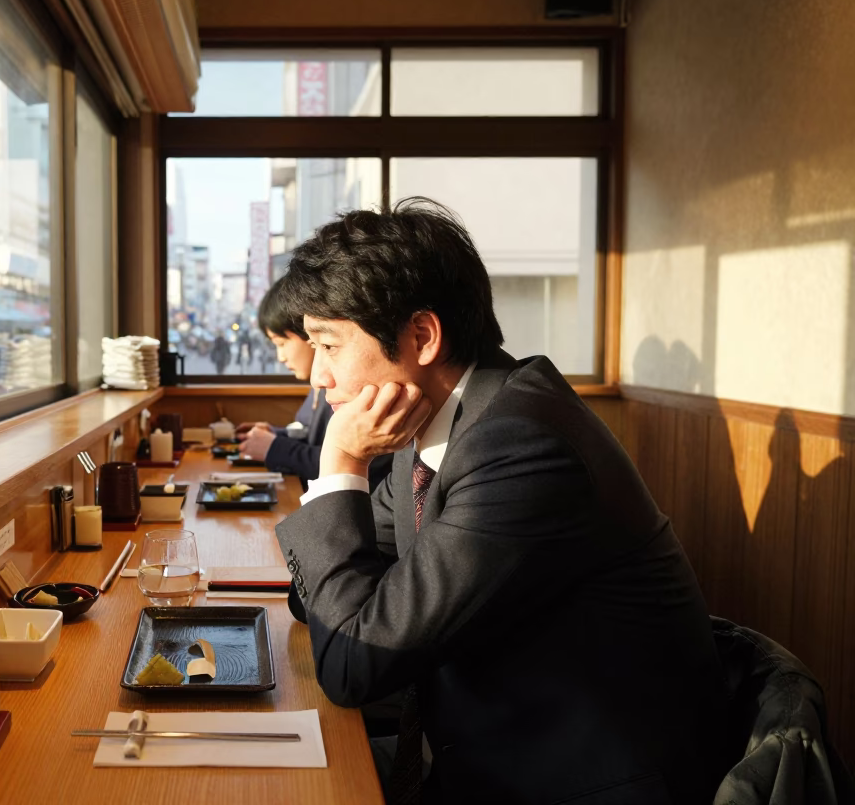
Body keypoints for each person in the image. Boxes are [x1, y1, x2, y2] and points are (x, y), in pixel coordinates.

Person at [272, 198, 728, 804]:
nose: (318, 378)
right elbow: (319, 603)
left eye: (329, 346)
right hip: (474, 746)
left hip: (570, 782)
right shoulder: (437, 425)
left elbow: (355, 661)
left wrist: (341, 464)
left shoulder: (521, 445)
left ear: (421, 336)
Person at [236, 280, 391, 492]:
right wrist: (277, 435)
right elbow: (313, 438)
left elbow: (351, 459)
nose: (280, 357)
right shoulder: (322, 382)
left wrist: (275, 446)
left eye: (281, 343)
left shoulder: (351, 387)